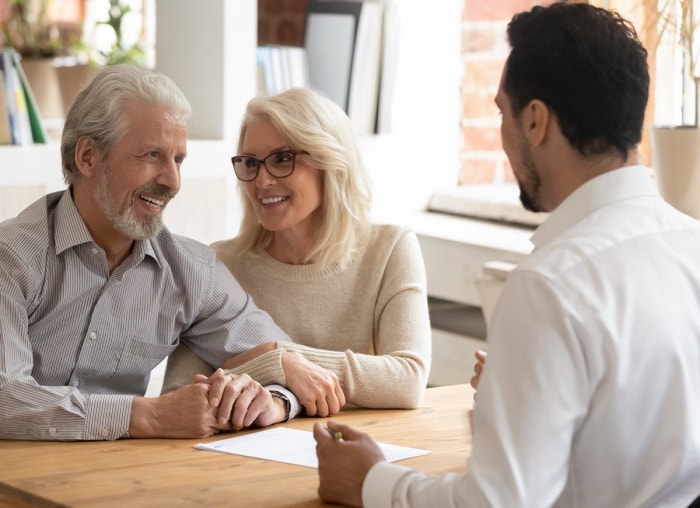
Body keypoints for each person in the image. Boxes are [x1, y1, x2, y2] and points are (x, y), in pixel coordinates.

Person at [312, 3, 700, 507]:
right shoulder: (690, 245)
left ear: (535, 120)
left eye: (501, 111)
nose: (502, 133)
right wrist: (520, 394)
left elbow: (499, 502)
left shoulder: (550, 286)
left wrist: (371, 482)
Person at [0, 64, 302, 441]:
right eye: (152, 155)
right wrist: (150, 417)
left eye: (178, 160)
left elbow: (291, 366)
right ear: (88, 158)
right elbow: (4, 397)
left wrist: (271, 400)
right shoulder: (10, 258)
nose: (172, 182)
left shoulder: (191, 271)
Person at [163, 87, 431, 416]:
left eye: (282, 159)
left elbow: (407, 380)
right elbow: (180, 394)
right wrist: (281, 367)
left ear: (330, 163)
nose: (261, 181)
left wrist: (274, 353)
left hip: (353, 449)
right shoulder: (219, 265)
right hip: (242, 460)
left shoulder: (390, 249)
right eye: (251, 163)